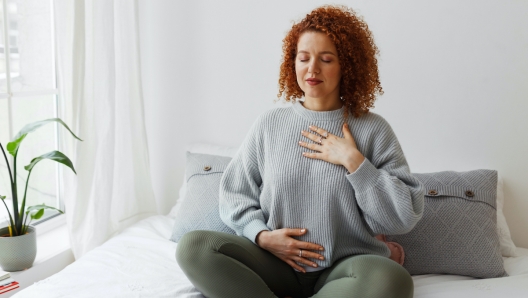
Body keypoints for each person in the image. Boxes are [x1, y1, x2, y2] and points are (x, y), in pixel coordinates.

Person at [177, 5, 425, 298]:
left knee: (392, 280)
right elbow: (235, 193)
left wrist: (354, 162)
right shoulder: (270, 124)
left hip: (344, 269)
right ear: (291, 62)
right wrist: (262, 236)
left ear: (347, 64)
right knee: (194, 247)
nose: (312, 69)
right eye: (304, 58)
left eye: (326, 59)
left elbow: (403, 216)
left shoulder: (373, 129)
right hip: (273, 264)